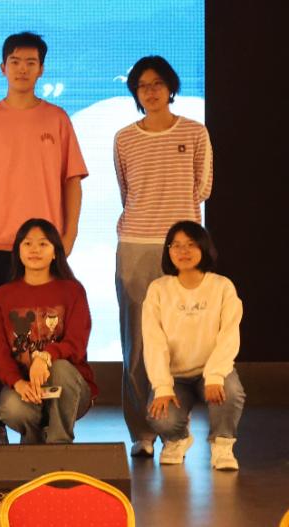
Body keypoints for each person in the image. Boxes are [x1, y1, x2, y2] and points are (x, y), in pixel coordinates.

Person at [0, 32, 88, 444]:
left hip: (45, 248)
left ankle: (51, 415)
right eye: (15, 61)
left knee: (49, 330)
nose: (22, 69)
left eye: (31, 62)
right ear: (2, 68)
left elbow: (72, 180)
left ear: (42, 69)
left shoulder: (57, 119)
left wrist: (68, 234)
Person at [113, 56, 214, 456]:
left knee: (181, 340)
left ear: (171, 87)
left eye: (157, 84)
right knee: (137, 342)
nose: (151, 91)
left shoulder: (194, 132)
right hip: (136, 245)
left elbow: (202, 187)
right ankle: (142, 432)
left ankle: (174, 428)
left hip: (182, 248)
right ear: (135, 92)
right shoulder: (124, 138)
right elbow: (127, 191)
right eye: (142, 85)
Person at [143, 221, 243, 470]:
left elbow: (229, 334)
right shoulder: (158, 289)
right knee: (160, 416)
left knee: (230, 392)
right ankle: (177, 439)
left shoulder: (222, 286)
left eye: (190, 244)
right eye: (176, 245)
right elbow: (154, 340)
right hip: (176, 377)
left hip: (211, 372)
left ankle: (222, 446)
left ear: (203, 247)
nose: (183, 251)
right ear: (168, 251)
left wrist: (215, 375)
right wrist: (162, 386)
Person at [0, 219, 96, 445]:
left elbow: (76, 344)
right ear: (18, 251)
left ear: (55, 252)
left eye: (43, 244)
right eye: (27, 243)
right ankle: (33, 441)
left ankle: (59, 444)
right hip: (25, 386)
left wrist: (45, 357)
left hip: (69, 388)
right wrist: (18, 383)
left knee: (60, 367)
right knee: (10, 408)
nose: (35, 250)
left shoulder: (73, 291)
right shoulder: (2, 296)